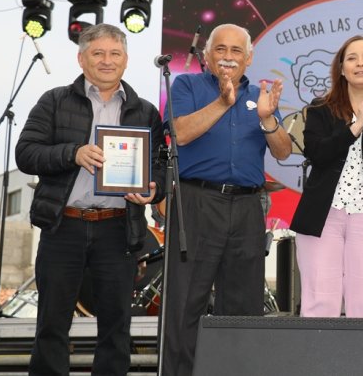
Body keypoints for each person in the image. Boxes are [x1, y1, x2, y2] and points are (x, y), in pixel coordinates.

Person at [15, 23, 166, 376]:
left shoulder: (145, 111)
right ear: (82, 59)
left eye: (115, 54)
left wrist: (152, 188)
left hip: (117, 231)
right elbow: (26, 153)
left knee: (116, 328)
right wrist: (73, 153)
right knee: (51, 325)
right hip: (62, 226)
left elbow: (159, 165)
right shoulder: (54, 101)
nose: (107, 61)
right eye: (98, 53)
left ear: (126, 61)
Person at [162, 23, 292, 375]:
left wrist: (267, 119)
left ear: (249, 58)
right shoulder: (187, 85)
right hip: (196, 202)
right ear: (206, 56)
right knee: (185, 304)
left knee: (244, 306)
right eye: (221, 49)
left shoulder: (261, 96)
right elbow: (181, 133)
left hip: (248, 207)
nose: (229, 57)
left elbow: (282, 151)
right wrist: (223, 101)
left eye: (237, 51)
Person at [289, 35, 363, 318]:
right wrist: (357, 125)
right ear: (341, 69)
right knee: (319, 301)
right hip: (323, 214)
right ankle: (317, 362)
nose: (360, 64)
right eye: (352, 58)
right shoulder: (320, 109)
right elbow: (318, 153)